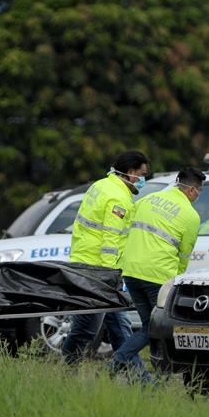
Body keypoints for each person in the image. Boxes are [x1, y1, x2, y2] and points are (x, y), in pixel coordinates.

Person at [111, 166, 204, 381]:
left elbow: (126, 228)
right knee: (161, 329)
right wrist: (174, 281)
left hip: (131, 272)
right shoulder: (191, 216)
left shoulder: (148, 199)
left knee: (149, 327)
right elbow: (184, 255)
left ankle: (122, 367)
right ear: (191, 190)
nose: (198, 195)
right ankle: (153, 379)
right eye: (199, 191)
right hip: (157, 276)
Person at [61, 150, 150, 365]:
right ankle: (68, 366)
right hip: (98, 271)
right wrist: (110, 277)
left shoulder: (100, 185)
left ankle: (135, 375)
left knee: (118, 327)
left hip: (86, 263)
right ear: (130, 172)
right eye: (141, 175)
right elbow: (110, 239)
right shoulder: (118, 198)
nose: (143, 180)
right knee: (88, 328)